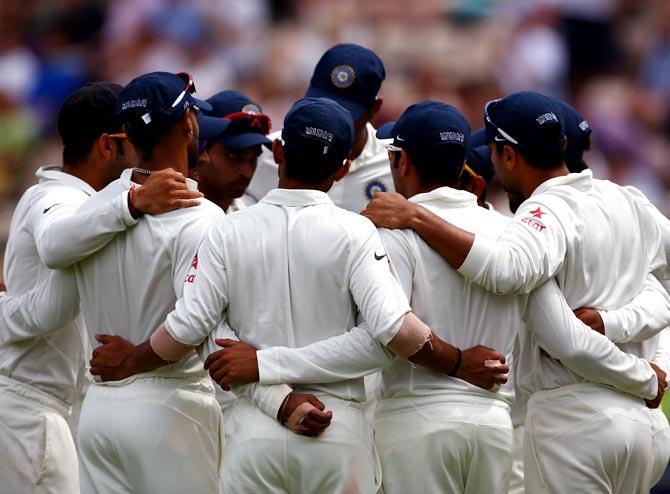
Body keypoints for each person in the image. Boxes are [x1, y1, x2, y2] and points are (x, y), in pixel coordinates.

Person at [208, 99, 669, 494]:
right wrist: (637, 359)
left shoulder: (388, 230)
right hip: (493, 423)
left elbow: (386, 333)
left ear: (401, 163)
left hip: (415, 422)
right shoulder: (511, 232)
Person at [90, 96, 511, 493]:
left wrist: (136, 361)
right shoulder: (356, 231)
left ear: (279, 154)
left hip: (252, 435)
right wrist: (457, 362)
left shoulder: (226, 229)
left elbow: (194, 328)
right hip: (337, 430)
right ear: (343, 169)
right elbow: (391, 335)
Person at [361, 91, 670, 492]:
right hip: (644, 431)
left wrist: (419, 216)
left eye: (492, 150)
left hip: (573, 420)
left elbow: (515, 280)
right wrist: (642, 350)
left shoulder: (537, 217)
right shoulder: (632, 200)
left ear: (508, 156)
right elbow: (659, 289)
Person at [0, 81, 199, 494]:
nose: (143, 152)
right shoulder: (59, 200)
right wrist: (132, 203)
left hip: (54, 408)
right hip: (24, 409)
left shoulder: (88, 205)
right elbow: (52, 296)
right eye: (133, 140)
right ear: (108, 146)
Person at [243, 43, 394, 213]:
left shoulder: (394, 166)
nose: (329, 119)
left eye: (346, 113)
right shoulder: (262, 153)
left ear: (375, 108)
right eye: (319, 103)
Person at [194, 90, 272, 213]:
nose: (246, 172)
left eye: (253, 158)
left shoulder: (251, 219)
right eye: (235, 156)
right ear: (201, 150)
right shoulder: (167, 212)